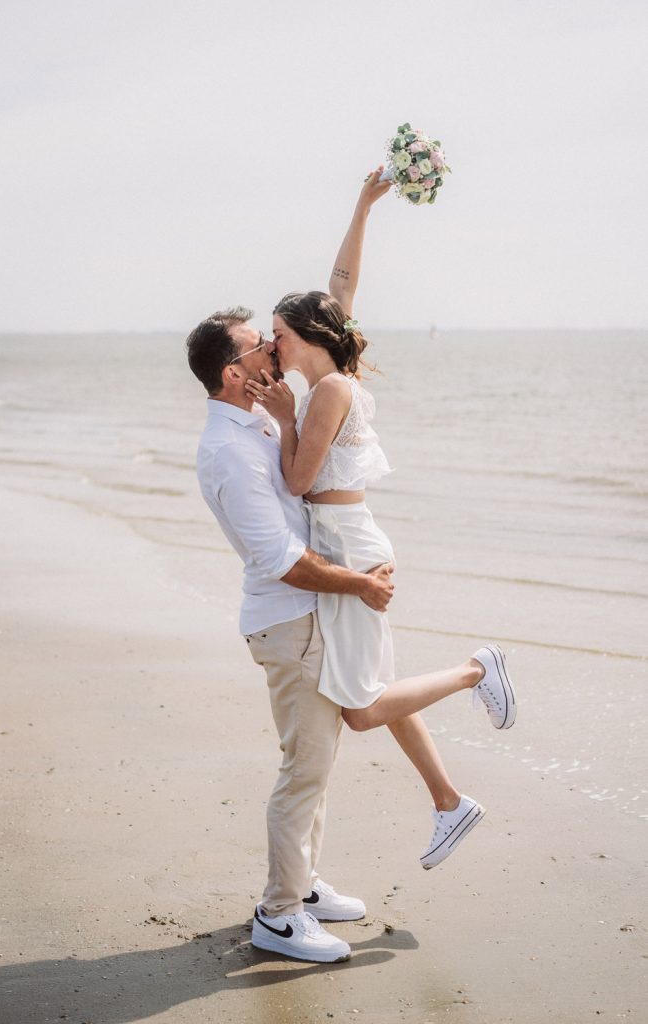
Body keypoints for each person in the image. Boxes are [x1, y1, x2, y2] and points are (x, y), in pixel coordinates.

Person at [244, 167, 517, 874]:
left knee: (362, 709)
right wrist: (363, 205)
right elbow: (341, 285)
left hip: (349, 547)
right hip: (345, 541)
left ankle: (475, 669)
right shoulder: (327, 375)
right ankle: (449, 802)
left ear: (308, 335)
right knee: (374, 689)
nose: (272, 345)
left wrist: (282, 420)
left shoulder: (329, 389)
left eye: (278, 334)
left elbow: (298, 482)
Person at [187, 303, 395, 964]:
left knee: (316, 763)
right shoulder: (227, 450)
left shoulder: (253, 420)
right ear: (232, 372)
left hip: (305, 615)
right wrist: (360, 584)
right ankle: (277, 916)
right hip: (289, 618)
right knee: (303, 770)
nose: (273, 353)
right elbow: (280, 558)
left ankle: (301, 885)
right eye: (260, 347)